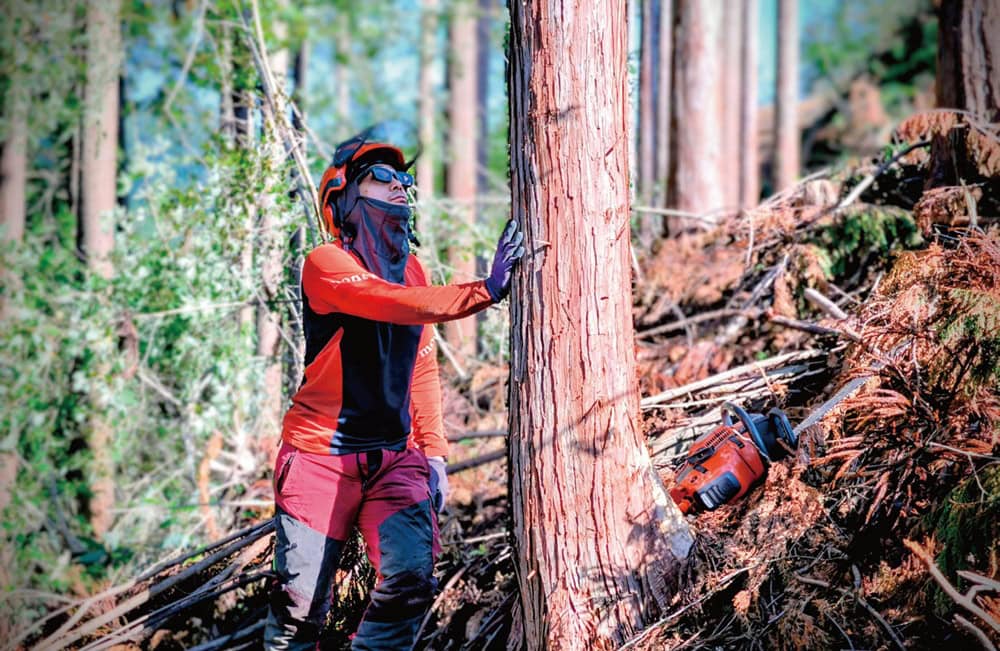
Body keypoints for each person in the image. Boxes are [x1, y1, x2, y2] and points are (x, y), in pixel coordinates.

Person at [264, 130, 524, 650]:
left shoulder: (413, 269)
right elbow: (392, 303)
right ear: (343, 198)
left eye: (404, 177)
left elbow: (422, 367)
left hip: (393, 458)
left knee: (410, 581)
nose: (400, 185)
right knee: (299, 609)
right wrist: (485, 290)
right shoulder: (326, 265)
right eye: (381, 176)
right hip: (320, 459)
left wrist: (433, 454)